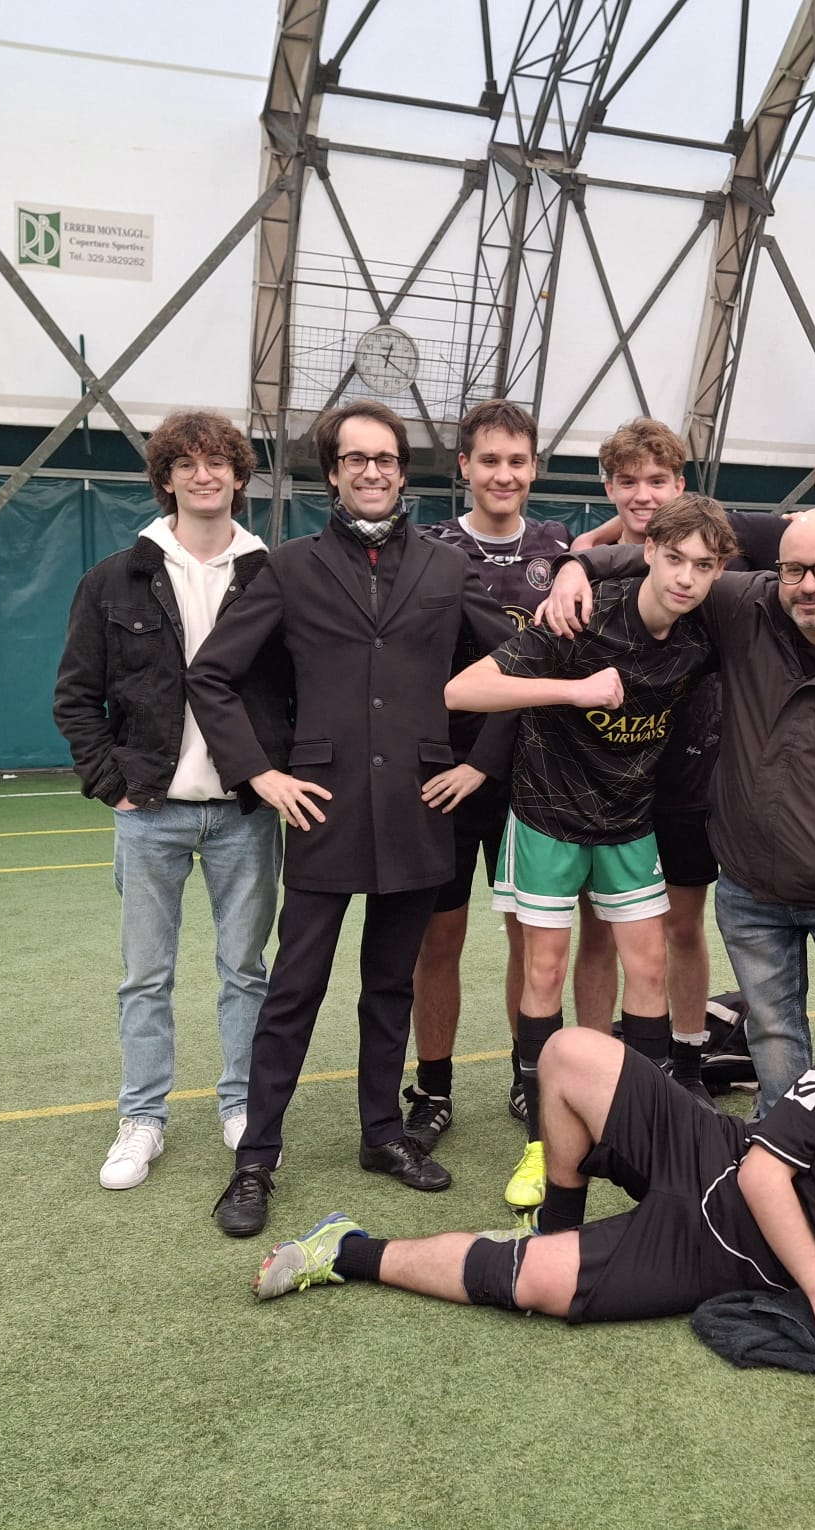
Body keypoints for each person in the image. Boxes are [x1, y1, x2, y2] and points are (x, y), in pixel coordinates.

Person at [245, 992, 815, 1388]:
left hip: (719, 1260)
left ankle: (345, 1249)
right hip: (717, 1154)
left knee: (531, 1286)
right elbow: (762, 1172)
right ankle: (560, 1221)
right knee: (567, 1051)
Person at [185, 400, 518, 1237]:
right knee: (293, 989)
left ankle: (382, 1133)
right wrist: (261, 772)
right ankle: (255, 1159)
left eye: (387, 458)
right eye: (355, 459)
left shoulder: (445, 568)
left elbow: (519, 663)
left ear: (403, 471)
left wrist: (480, 764)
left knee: (391, 985)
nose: (372, 471)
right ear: (332, 473)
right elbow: (212, 676)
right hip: (323, 811)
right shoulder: (288, 568)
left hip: (419, 808)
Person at [545, 507, 815, 1106]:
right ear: (775, 569)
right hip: (750, 890)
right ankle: (779, 1138)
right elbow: (670, 560)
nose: (808, 586)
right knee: (772, 1030)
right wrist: (576, 565)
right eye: (794, 570)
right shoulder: (746, 605)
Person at [444, 494, 734, 1213]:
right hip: (548, 816)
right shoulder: (581, 613)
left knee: (650, 968)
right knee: (544, 969)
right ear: (650, 552)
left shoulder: (705, 630)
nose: (686, 577)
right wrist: (573, 690)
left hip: (629, 821)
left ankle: (649, 1139)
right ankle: (543, 1143)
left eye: (703, 566)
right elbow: (463, 689)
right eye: (674, 558)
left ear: (718, 570)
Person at [53, 409, 285, 1192]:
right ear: (167, 478)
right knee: (145, 977)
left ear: (240, 476)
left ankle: (243, 1106)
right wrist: (110, 783)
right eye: (186, 462)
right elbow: (76, 696)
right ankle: (142, 1118)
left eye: (217, 461)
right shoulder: (114, 578)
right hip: (150, 813)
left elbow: (299, 689)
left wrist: (275, 772)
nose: (203, 474)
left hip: (245, 815)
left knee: (245, 969)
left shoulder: (273, 576)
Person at [405, 399, 571, 1151]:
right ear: (464, 466)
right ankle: (433, 1088)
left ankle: (528, 1073)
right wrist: (463, 760)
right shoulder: (429, 547)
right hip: (445, 778)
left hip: (532, 778)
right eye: (490, 460)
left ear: (534, 468)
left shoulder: (559, 548)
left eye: (518, 461)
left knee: (529, 938)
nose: (505, 474)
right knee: (438, 940)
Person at [565, 419, 736, 1098]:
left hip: (686, 780)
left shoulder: (708, 561)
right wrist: (579, 559)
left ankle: (687, 1064)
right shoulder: (583, 568)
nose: (643, 494)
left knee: (684, 926)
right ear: (608, 486)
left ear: (680, 485)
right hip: (604, 785)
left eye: (657, 480)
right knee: (598, 932)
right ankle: (590, 1068)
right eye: (628, 481)